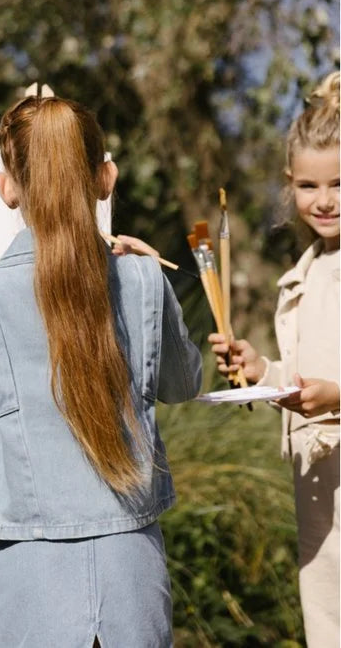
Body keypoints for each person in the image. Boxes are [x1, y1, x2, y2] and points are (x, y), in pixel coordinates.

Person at [0, 92, 202, 648]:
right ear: (105, 178)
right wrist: (150, 275)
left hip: (29, 567)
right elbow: (183, 383)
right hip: (133, 568)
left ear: (7, 188)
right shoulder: (144, 281)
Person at [208, 71, 340, 648]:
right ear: (290, 184)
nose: (325, 200)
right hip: (319, 486)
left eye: (339, 183)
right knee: (327, 621)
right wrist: (263, 371)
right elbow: (307, 377)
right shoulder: (305, 273)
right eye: (309, 185)